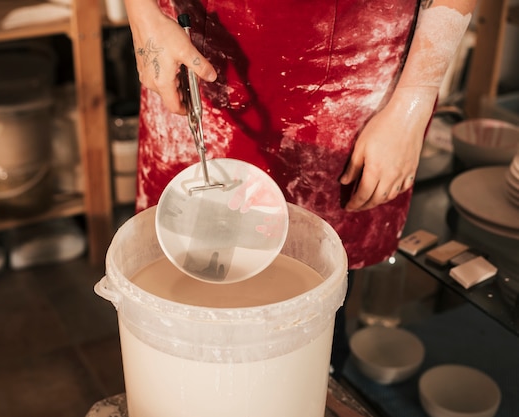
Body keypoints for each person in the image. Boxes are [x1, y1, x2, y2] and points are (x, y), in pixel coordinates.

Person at [123, 0, 477, 376]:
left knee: (312, 307)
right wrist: (142, 15)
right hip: (195, 54)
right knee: (185, 302)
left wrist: (414, 100)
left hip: (348, 83)